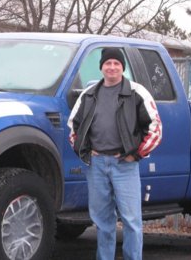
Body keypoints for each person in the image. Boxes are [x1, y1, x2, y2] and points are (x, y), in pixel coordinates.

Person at [68, 47, 162, 260]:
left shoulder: (137, 92)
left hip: (125, 165)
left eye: (116, 64)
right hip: (97, 165)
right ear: (101, 67)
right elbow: (74, 126)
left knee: (131, 222)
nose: (112, 67)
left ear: (123, 67)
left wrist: (136, 154)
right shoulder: (89, 94)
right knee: (102, 223)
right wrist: (85, 153)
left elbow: (155, 128)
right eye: (107, 63)